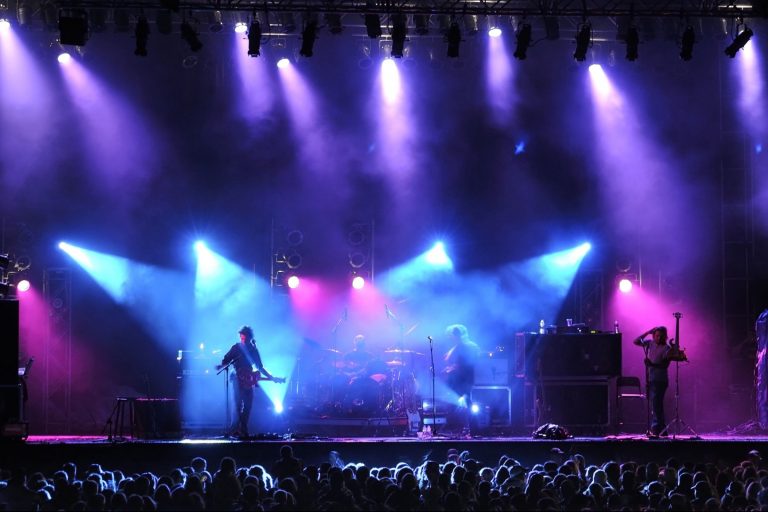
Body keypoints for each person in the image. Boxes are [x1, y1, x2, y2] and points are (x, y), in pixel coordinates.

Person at [217, 325, 283, 438]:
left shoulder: (253, 349)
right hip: (237, 379)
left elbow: (260, 367)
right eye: (241, 336)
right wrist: (224, 364)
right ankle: (237, 429)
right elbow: (225, 359)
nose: (242, 338)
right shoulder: (236, 348)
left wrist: (272, 378)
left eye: (244, 336)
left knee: (248, 405)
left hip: (248, 381)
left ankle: (242, 428)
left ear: (248, 337)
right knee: (237, 405)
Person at [633, 326, 673, 438]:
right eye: (656, 335)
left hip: (660, 380)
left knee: (656, 404)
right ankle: (662, 430)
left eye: (661, 336)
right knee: (655, 405)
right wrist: (647, 332)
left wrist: (651, 365)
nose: (658, 338)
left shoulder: (667, 348)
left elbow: (665, 365)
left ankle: (656, 429)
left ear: (665, 336)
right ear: (653, 335)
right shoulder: (650, 343)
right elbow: (636, 341)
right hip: (651, 379)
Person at [442, 324, 481, 434]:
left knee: (464, 403)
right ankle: (468, 428)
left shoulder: (465, 346)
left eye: (452, 335)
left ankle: (466, 428)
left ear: (456, 335)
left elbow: (465, 364)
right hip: (462, 379)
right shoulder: (463, 345)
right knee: (462, 403)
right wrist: (451, 368)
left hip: (464, 379)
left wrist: (452, 369)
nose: (450, 338)